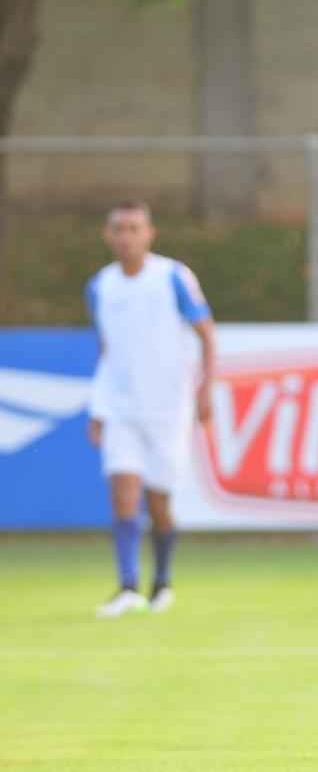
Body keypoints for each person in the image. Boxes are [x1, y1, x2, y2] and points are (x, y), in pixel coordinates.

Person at [86, 200, 215, 618]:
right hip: (120, 407)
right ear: (108, 235)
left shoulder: (173, 277)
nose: (126, 237)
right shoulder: (101, 286)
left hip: (167, 408)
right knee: (123, 490)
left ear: (149, 233)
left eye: (134, 228)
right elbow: (106, 349)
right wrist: (98, 408)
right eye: (119, 229)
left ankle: (161, 582)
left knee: (158, 501)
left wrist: (205, 389)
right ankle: (127, 586)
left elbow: (206, 333)